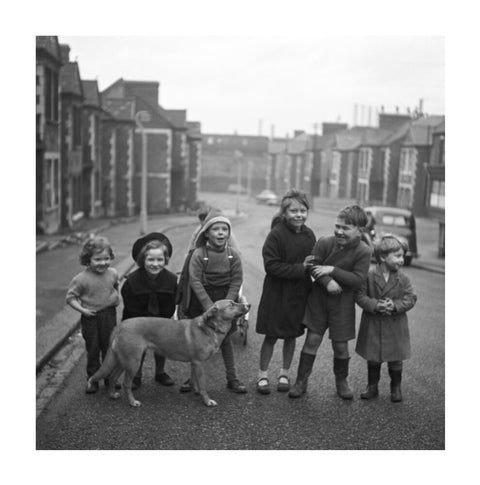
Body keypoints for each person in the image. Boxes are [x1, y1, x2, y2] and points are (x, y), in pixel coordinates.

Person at [288, 205, 372, 400]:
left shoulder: (364, 251)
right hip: (318, 300)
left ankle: (341, 382)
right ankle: (301, 381)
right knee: (312, 340)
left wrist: (332, 270)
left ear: (360, 231)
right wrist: (327, 282)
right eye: (337, 226)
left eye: (345, 228)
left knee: (341, 346)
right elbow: (312, 266)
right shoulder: (325, 242)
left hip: (343, 304)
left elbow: (358, 280)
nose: (340, 231)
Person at [255, 189, 316, 395]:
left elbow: (314, 262)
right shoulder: (276, 235)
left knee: (291, 336)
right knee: (271, 336)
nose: (299, 215)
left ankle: (284, 374)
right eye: (294, 211)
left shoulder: (309, 235)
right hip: (277, 294)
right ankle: (262, 375)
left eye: (303, 210)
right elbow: (271, 266)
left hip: (299, 294)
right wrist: (302, 268)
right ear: (284, 213)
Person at [180, 210, 247, 394]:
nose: (220, 233)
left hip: (226, 301)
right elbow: (195, 281)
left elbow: (236, 280)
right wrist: (210, 306)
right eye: (215, 229)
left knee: (225, 340)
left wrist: (228, 303)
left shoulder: (233, 254)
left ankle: (232, 378)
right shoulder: (199, 254)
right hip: (202, 301)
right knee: (198, 340)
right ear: (206, 232)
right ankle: (193, 379)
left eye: (224, 229)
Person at [355, 235, 417, 402]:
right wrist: (375, 305)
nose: (402, 260)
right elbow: (360, 296)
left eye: (403, 256)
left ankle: (396, 387)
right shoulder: (369, 276)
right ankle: (372, 387)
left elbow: (411, 298)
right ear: (382, 257)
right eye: (397, 256)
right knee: (373, 357)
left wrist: (395, 305)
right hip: (373, 322)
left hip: (395, 324)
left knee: (396, 359)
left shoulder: (403, 278)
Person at [121, 232, 178, 390]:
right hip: (137, 321)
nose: (155, 264)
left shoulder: (171, 280)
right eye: (150, 259)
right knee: (137, 348)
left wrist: (160, 323)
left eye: (160, 259)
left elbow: (170, 305)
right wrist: (145, 326)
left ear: (165, 260)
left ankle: (160, 372)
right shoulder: (131, 282)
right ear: (142, 260)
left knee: (162, 345)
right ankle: (136, 374)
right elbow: (131, 308)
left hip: (161, 320)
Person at [66, 236, 120, 394]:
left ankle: (109, 377)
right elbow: (70, 298)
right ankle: (93, 379)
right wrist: (83, 311)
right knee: (93, 349)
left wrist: (117, 297)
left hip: (109, 315)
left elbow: (115, 286)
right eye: (98, 259)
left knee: (109, 348)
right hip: (91, 317)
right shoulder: (80, 279)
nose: (103, 263)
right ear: (87, 259)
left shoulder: (113, 273)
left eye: (106, 258)